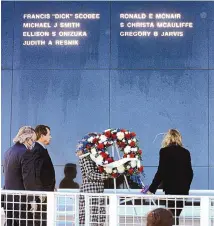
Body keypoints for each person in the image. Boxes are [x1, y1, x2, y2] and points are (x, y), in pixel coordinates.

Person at [147, 129, 193, 225]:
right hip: (183, 190)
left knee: (171, 216)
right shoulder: (186, 152)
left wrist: (152, 189)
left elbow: (161, 172)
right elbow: (190, 173)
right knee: (175, 215)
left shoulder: (164, 151)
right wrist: (186, 186)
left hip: (171, 189)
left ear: (168, 138)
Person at [3, 126, 36, 226]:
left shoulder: (8, 152)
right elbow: (28, 178)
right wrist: (32, 199)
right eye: (33, 140)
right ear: (27, 139)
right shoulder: (26, 153)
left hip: (8, 198)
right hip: (21, 199)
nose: (33, 143)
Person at [77, 133, 109, 226]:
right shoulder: (86, 156)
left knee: (98, 216)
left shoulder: (95, 155)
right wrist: (105, 176)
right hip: (90, 190)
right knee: (89, 217)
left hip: (98, 189)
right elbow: (89, 174)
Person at [30, 125, 56, 226]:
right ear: (42, 135)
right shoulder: (37, 149)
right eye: (49, 134)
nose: (50, 137)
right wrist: (39, 192)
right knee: (40, 218)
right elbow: (36, 172)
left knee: (44, 218)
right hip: (42, 194)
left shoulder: (41, 149)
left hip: (46, 192)